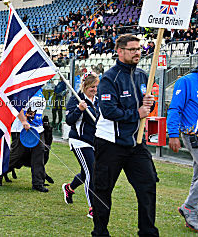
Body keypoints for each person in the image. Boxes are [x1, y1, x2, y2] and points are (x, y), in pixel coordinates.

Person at [92, 34, 158, 236]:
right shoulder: (109, 78)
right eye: (132, 49)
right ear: (120, 51)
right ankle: (100, 232)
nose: (137, 52)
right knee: (103, 189)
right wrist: (136, 113)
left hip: (136, 143)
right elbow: (109, 111)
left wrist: (149, 104)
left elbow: (147, 107)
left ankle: (147, 232)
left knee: (147, 185)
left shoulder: (142, 75)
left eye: (139, 49)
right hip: (110, 143)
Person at [167, 51, 198, 232]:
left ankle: (193, 214)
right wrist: (172, 134)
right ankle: (189, 207)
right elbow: (174, 108)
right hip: (194, 136)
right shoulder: (186, 81)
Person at [62, 73, 100, 219]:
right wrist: (79, 109)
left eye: (96, 86)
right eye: (92, 87)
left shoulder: (98, 100)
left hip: (94, 142)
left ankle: (69, 188)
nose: (95, 90)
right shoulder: (75, 99)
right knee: (91, 172)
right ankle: (93, 207)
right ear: (85, 86)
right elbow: (70, 120)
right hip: (79, 141)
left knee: (86, 174)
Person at [0, 88, 48, 192]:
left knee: (39, 155)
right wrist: (23, 121)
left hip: (37, 130)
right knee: (17, 155)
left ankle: (38, 183)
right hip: (22, 129)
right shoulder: (26, 88)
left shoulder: (40, 90)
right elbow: (16, 106)